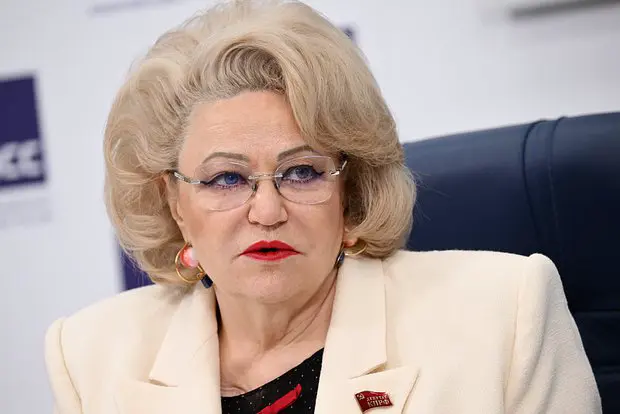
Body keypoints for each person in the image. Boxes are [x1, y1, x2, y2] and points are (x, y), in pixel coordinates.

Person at [44, 1, 601, 413]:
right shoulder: (91, 357)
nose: (267, 210)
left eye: (302, 172)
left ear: (349, 191)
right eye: (226, 178)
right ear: (174, 202)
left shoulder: (503, 315)